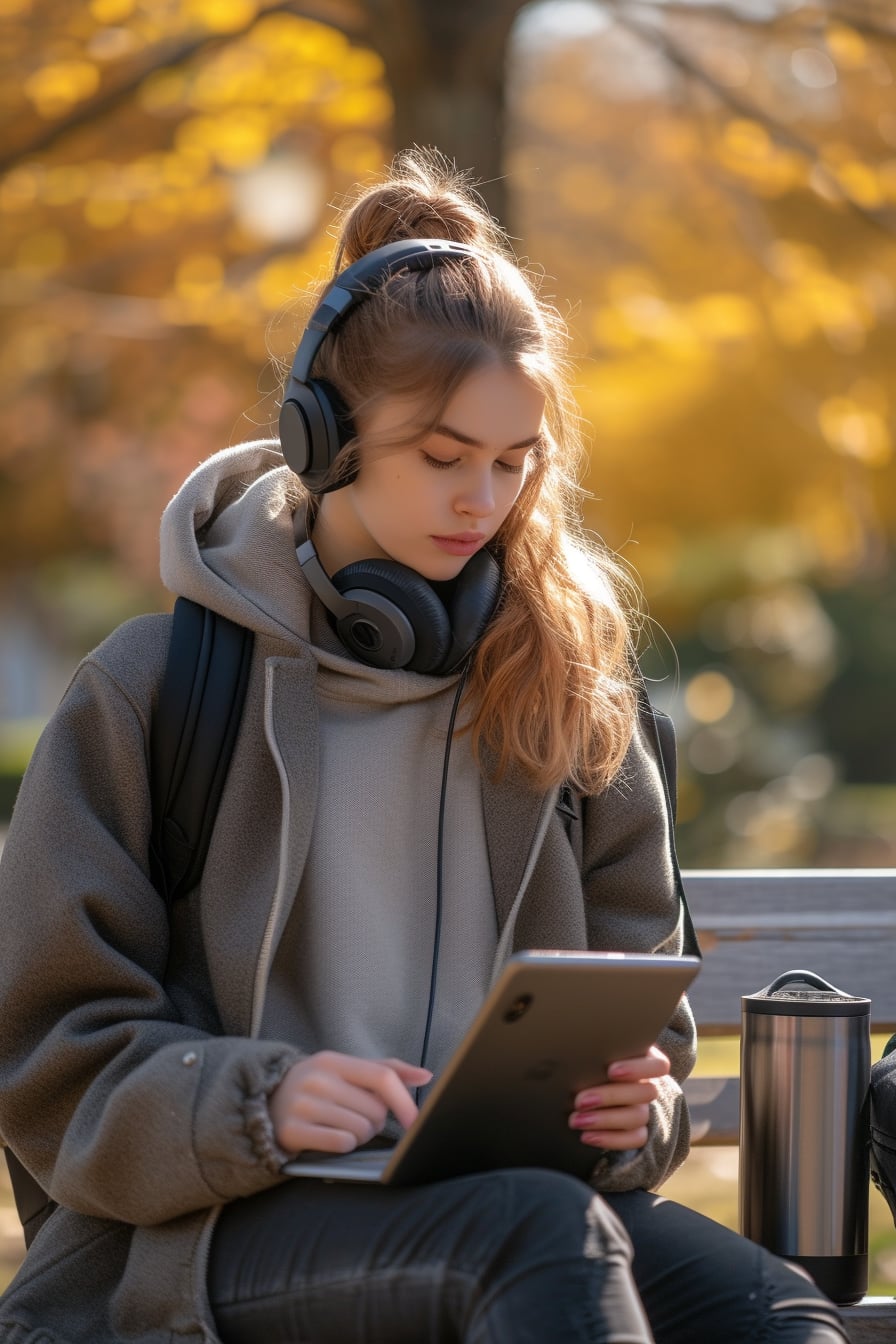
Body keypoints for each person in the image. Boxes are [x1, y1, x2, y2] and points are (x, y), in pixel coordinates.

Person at [0, 149, 847, 1344]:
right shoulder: (152, 693)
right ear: (321, 440)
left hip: (514, 1204)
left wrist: (635, 1111)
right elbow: (46, 1055)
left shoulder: (567, 692)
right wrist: (261, 1101)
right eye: (442, 458)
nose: (480, 502)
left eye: (513, 465)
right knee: (534, 1240)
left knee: (773, 1316)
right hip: (207, 1237)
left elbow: (636, 1025)